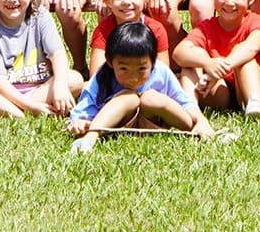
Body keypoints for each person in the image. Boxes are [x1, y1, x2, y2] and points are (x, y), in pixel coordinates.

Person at [67, 21, 213, 153]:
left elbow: (184, 102)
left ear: (153, 62)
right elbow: (85, 106)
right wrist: (79, 121)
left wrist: (201, 120)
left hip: (155, 121)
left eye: (142, 69)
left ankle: (196, 130)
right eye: (124, 69)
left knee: (150, 98)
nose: (133, 77)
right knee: (128, 97)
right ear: (110, 62)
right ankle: (91, 137)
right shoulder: (103, 75)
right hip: (119, 123)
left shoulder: (161, 71)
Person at [174, 0, 260, 121]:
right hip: (222, 93)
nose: (229, 2)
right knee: (193, 56)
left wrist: (221, 69)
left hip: (259, 92)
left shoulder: (257, 21)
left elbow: (251, 47)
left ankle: (254, 105)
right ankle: (190, 108)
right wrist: (207, 63)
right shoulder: (206, 27)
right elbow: (179, 53)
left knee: (243, 56)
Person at [87, 0, 173, 75]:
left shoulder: (156, 30)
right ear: (107, 0)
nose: (126, 2)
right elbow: (96, 74)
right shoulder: (103, 31)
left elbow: (163, 74)